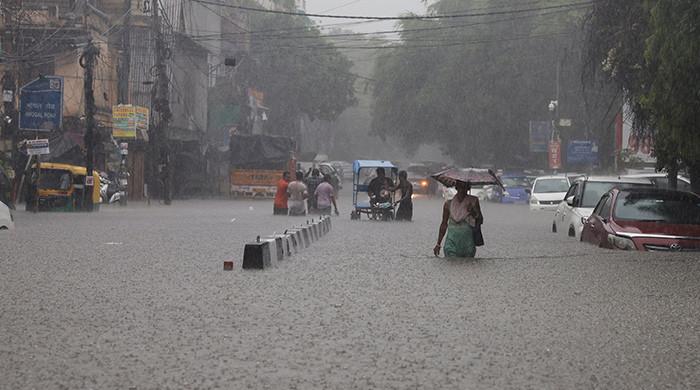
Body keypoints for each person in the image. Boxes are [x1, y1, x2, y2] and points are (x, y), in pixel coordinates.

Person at [434, 181, 484, 258]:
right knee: (450, 262)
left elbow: (480, 220)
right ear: (456, 188)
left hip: (468, 242)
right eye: (460, 187)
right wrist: (438, 244)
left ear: (468, 188)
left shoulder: (473, 201)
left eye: (464, 187)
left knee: (467, 264)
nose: (462, 190)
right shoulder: (448, 204)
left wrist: (473, 212)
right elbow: (444, 224)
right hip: (451, 242)